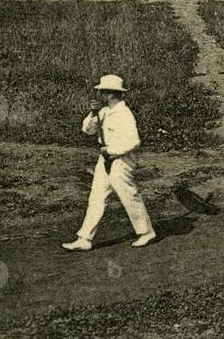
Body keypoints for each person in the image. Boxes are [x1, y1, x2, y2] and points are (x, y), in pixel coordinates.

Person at [62, 75, 155, 251]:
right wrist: (93, 113)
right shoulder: (103, 111)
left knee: (128, 195)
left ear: (111, 93)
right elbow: (87, 130)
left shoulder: (124, 114)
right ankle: (85, 239)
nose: (100, 94)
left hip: (121, 160)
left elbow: (134, 141)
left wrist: (112, 151)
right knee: (97, 196)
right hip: (104, 160)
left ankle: (146, 232)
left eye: (103, 91)